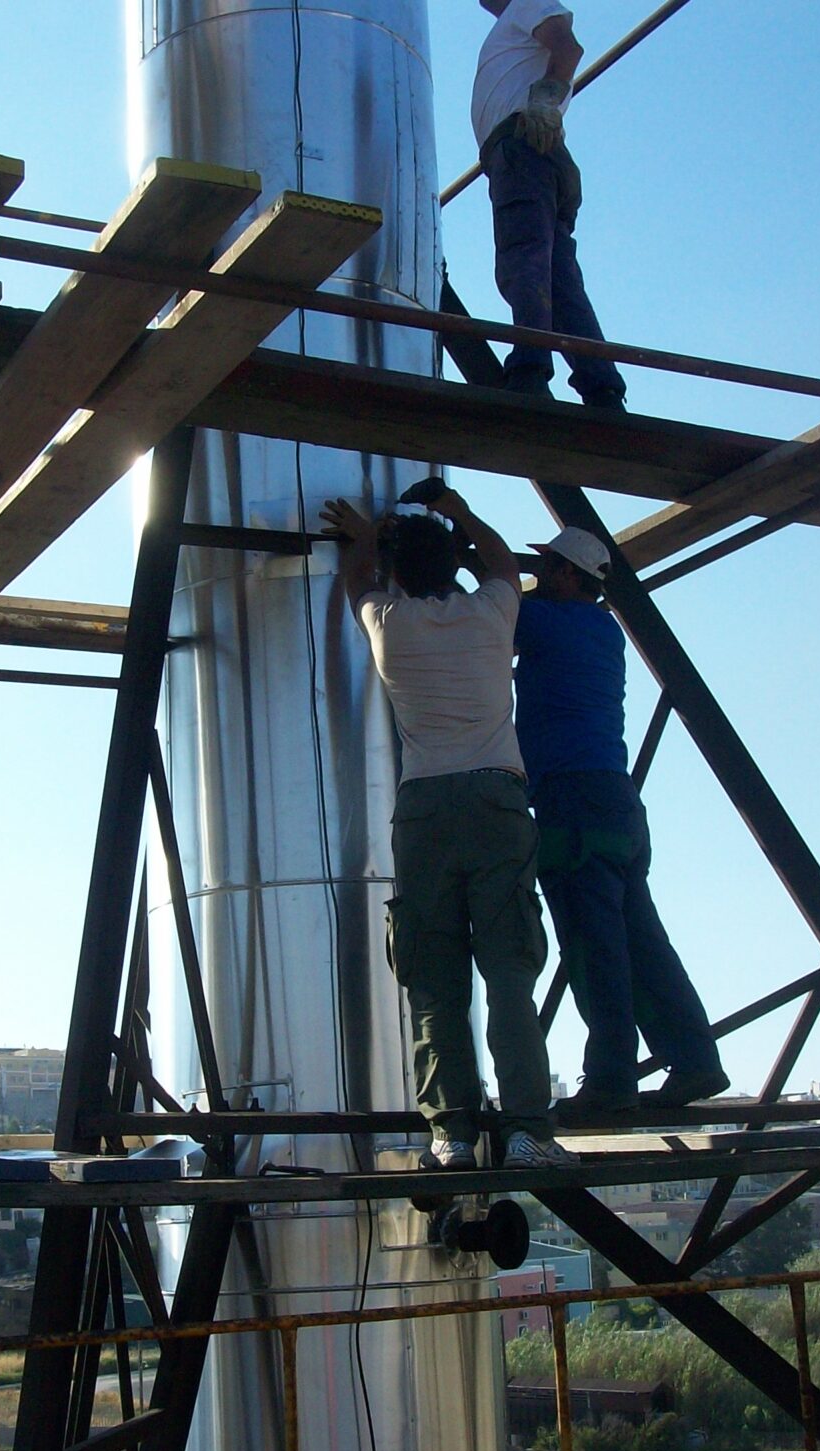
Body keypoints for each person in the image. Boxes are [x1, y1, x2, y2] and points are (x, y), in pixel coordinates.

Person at [323, 481, 575, 1171]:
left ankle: (452, 1135)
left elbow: (357, 580)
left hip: (424, 807)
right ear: (451, 561)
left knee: (435, 980)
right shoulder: (494, 613)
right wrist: (459, 514)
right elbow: (500, 563)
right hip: (498, 802)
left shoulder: (388, 624)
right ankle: (526, 1130)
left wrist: (365, 538)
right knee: (508, 976)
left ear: (397, 573)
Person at [513, 524, 731, 1117]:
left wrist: (466, 547)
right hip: (615, 802)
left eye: (545, 567)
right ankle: (694, 1060)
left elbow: (492, 604)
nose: (536, 575)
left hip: (572, 804)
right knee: (642, 942)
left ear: (565, 575)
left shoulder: (544, 622)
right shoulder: (603, 628)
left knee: (593, 946)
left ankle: (610, 1081)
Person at [473, 0, 628, 409]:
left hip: (524, 145)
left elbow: (568, 48)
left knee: (523, 260)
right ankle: (602, 387)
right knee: (558, 281)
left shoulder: (526, 4)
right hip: (533, 151)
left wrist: (544, 103)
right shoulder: (515, 20)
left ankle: (529, 368)